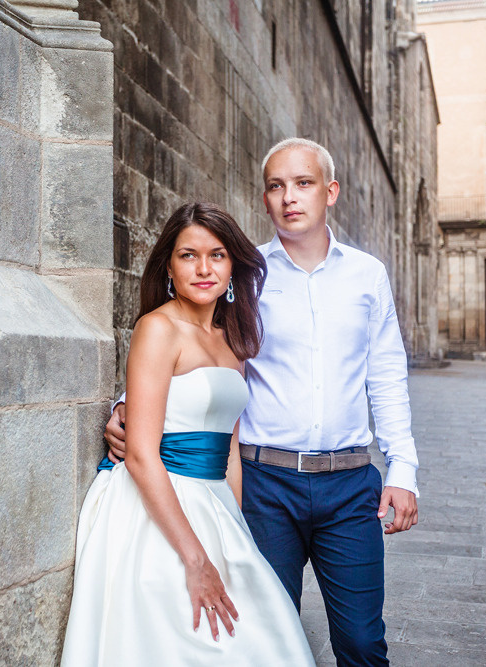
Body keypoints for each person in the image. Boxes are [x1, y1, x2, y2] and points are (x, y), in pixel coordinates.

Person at [106, 138, 419, 667]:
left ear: (331, 192)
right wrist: (129, 405)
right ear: (265, 198)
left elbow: (385, 373)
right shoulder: (244, 275)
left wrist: (403, 468)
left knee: (365, 644)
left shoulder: (367, 275)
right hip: (265, 485)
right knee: (265, 635)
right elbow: (199, 345)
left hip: (349, 483)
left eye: (303, 183)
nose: (289, 197)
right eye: (276, 186)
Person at [61, 202, 315, 667]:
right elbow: (139, 454)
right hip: (155, 499)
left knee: (255, 632)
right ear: (169, 266)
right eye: (188, 255)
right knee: (187, 638)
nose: (204, 268)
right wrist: (195, 559)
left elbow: (231, 450)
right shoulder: (157, 329)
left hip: (214, 501)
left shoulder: (232, 339)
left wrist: (234, 528)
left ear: (233, 264)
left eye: (217, 255)